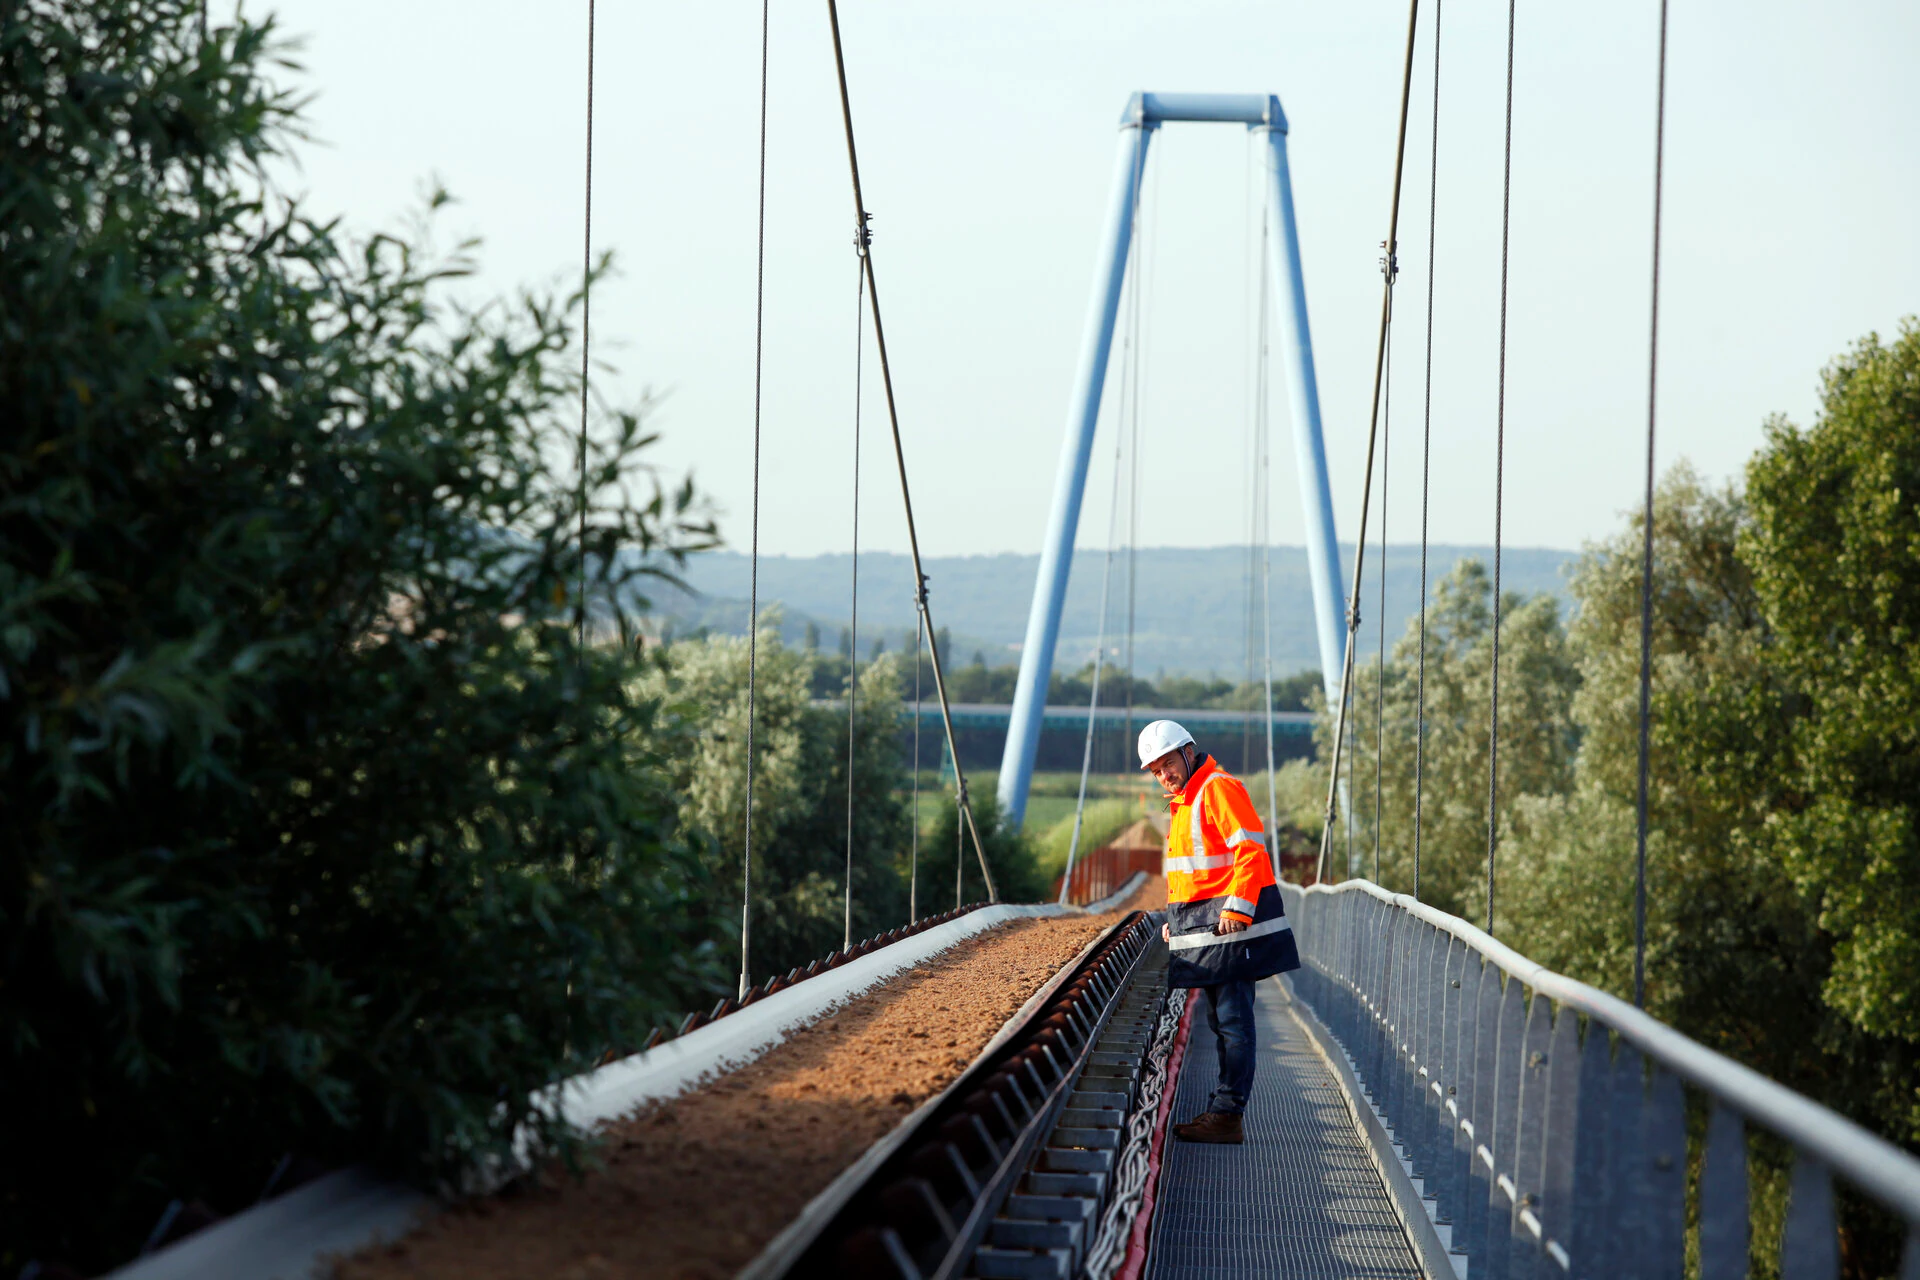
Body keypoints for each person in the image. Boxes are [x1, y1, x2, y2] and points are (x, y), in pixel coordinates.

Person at [1138, 719, 1300, 1144]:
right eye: (1156, 770)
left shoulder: (1216, 788)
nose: (1164, 775)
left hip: (1229, 928)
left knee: (1233, 1021)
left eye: (1168, 763)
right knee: (1222, 1020)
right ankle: (1223, 1110)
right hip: (1206, 927)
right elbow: (1193, 874)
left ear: (1188, 752)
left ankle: (1228, 1114)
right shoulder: (1187, 798)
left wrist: (1240, 910)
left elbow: (1249, 850)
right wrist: (1177, 923)